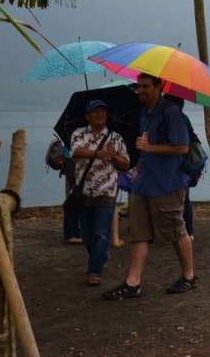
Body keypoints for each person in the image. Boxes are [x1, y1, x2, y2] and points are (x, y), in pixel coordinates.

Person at [103, 73, 194, 300]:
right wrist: (137, 167)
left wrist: (151, 148)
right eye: (138, 86)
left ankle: (189, 277)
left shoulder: (171, 112)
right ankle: (132, 283)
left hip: (167, 184)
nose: (140, 90)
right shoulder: (145, 113)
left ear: (158, 87)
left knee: (176, 230)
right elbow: (145, 147)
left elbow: (182, 147)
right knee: (138, 233)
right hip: (143, 183)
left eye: (145, 86)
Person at [70, 100, 130, 286]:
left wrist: (114, 155)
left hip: (108, 190)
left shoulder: (116, 138)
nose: (99, 114)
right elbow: (75, 151)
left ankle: (94, 271)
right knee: (87, 234)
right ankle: (100, 256)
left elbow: (126, 164)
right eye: (95, 111)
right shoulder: (79, 133)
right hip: (84, 190)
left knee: (101, 233)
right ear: (87, 116)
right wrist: (96, 153)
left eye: (103, 111)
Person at [164, 93, 194, 241]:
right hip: (184, 165)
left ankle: (188, 231)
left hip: (181, 164)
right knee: (185, 198)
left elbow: (182, 146)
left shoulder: (176, 118)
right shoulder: (184, 118)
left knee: (184, 199)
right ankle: (190, 231)